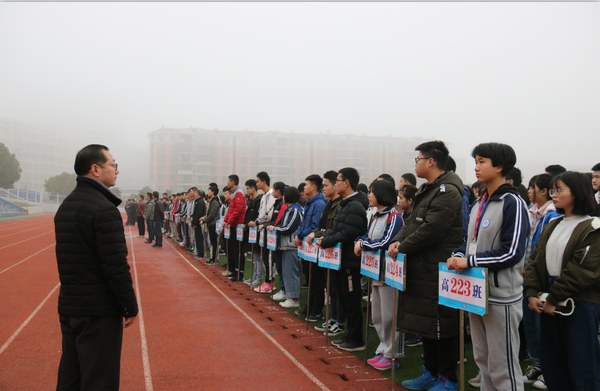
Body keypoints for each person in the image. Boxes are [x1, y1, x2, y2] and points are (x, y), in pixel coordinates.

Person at [55, 144, 138, 391]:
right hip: (98, 310)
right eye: (113, 165)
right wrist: (128, 305)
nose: (116, 170)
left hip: (71, 306)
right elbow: (114, 264)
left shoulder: (67, 205)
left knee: (71, 375)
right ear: (95, 169)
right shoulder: (104, 210)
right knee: (99, 379)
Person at [447, 142, 529, 391]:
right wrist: (458, 255)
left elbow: (512, 252)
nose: (476, 167)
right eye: (476, 161)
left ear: (500, 166)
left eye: (482, 161)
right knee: (483, 360)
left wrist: (469, 261)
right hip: (475, 292)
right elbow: (469, 242)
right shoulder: (479, 202)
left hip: (501, 296)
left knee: (502, 365)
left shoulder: (512, 203)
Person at [387, 140, 464, 391]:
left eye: (418, 159)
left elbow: (432, 230)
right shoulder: (427, 190)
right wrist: (399, 240)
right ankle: (430, 372)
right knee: (426, 327)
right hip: (422, 267)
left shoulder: (448, 192)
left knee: (442, 325)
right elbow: (410, 224)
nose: (416, 164)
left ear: (431, 161)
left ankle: (448, 379)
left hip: (436, 269)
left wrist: (403, 247)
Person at [524, 171, 600, 391]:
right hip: (549, 301)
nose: (553, 195)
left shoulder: (593, 227)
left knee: (583, 367)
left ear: (577, 193)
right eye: (552, 190)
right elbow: (535, 261)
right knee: (554, 365)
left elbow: (583, 271)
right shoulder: (553, 224)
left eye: (559, 190)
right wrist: (531, 292)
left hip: (580, 305)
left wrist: (554, 298)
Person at [317, 167, 369, 352]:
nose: (336, 183)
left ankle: (356, 339)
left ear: (346, 183)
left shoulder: (355, 205)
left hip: (350, 262)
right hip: (342, 260)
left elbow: (348, 232)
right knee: (345, 299)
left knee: (352, 300)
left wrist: (327, 240)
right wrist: (325, 238)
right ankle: (349, 335)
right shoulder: (346, 204)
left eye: (338, 180)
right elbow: (338, 228)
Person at [355, 179, 404, 371]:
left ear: (382, 194)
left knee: (390, 316)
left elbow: (386, 242)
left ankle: (392, 356)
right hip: (374, 272)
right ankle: (382, 349)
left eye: (372, 192)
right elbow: (367, 236)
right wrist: (360, 241)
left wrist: (363, 245)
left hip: (389, 274)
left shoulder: (394, 216)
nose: (369, 195)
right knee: (377, 316)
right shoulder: (376, 216)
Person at [521, 173, 561, 387]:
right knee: (530, 323)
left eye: (533, 187)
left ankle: (549, 368)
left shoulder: (552, 215)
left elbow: (545, 250)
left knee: (541, 325)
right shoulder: (532, 212)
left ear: (543, 191)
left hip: (543, 278)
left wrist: (533, 271)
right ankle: (538, 363)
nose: (529, 191)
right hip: (528, 277)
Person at [310, 170, 346, 336]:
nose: (323, 189)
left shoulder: (340, 205)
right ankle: (332, 319)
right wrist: (316, 234)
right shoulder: (329, 204)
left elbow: (333, 230)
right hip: (327, 251)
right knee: (331, 288)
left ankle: (339, 321)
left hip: (336, 252)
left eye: (326, 185)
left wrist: (318, 235)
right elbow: (322, 227)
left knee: (338, 289)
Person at [293, 174, 327, 319]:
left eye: (306, 185)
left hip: (314, 248)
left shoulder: (319, 203)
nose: (304, 187)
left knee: (316, 279)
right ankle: (310, 306)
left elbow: (315, 226)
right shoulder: (309, 202)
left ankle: (316, 310)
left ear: (314, 187)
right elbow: (303, 223)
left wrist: (301, 235)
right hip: (306, 248)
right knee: (310, 278)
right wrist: (298, 234)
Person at [269, 187, 304, 308]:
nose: (283, 197)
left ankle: (294, 299)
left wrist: (275, 228)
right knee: (286, 271)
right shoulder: (290, 210)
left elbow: (289, 227)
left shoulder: (295, 210)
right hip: (286, 245)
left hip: (291, 246)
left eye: (284, 195)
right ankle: (289, 295)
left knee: (291, 272)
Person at [249, 172, 277, 291]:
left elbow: (269, 215)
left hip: (268, 230)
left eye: (258, 181)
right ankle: (268, 281)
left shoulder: (271, 195)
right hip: (263, 230)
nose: (256, 183)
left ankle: (270, 282)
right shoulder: (265, 195)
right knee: (265, 256)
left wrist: (257, 222)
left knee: (269, 257)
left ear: (264, 182)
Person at [224, 175, 246, 280]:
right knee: (233, 249)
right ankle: (234, 270)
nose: (227, 183)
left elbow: (237, 211)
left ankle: (240, 273)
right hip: (232, 225)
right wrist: (225, 221)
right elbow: (230, 211)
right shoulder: (233, 194)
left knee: (238, 250)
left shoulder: (239, 194)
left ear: (233, 183)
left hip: (237, 225)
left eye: (228, 181)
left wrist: (228, 221)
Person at [203, 185, 221, 265]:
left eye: (209, 191)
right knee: (212, 242)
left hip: (214, 224)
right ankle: (212, 258)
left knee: (214, 242)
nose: (208, 193)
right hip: (211, 224)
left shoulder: (214, 202)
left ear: (212, 192)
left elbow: (212, 214)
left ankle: (214, 259)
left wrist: (204, 220)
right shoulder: (212, 201)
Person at [192, 188, 207, 260]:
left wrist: (195, 223)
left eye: (195, 193)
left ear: (198, 194)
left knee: (199, 238)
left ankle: (200, 254)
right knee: (198, 238)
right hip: (197, 222)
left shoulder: (200, 202)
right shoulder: (198, 201)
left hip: (198, 223)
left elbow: (198, 213)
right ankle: (199, 252)